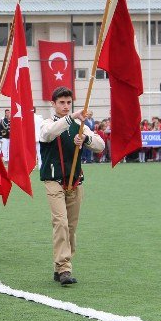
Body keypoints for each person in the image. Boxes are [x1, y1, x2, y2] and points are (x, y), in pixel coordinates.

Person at [38, 87, 104, 287]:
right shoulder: (48, 123)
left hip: (75, 182)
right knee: (61, 223)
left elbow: (100, 145)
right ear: (53, 104)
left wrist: (85, 139)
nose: (66, 106)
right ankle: (65, 267)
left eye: (68, 103)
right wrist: (71, 118)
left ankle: (60, 268)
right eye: (62, 103)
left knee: (71, 227)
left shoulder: (80, 125)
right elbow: (48, 134)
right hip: (54, 180)